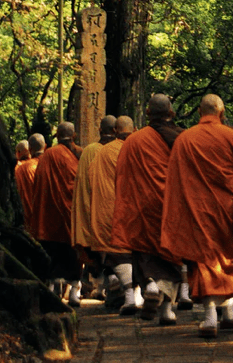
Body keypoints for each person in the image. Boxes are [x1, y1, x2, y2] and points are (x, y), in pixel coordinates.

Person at [159, 94, 233, 338]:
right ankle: (226, 314)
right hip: (228, 209)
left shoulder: (185, 139)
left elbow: (174, 181)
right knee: (226, 257)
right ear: (221, 113)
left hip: (197, 210)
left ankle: (213, 316)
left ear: (199, 112)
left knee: (204, 260)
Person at [110, 94, 187, 325]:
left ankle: (151, 285)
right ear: (171, 113)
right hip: (173, 208)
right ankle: (167, 311)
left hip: (144, 209)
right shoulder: (182, 138)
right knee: (173, 258)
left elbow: (122, 178)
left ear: (146, 114)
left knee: (145, 256)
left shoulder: (134, 141)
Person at [89, 116, 138, 315]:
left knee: (116, 254)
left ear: (116, 131)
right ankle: (137, 295)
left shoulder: (103, 152)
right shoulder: (140, 147)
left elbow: (93, 180)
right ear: (133, 129)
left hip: (111, 210)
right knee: (133, 254)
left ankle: (128, 296)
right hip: (136, 209)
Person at [32, 123, 83, 307]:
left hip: (50, 214)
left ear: (56, 136)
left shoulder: (47, 156)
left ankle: (56, 287)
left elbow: (39, 185)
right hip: (70, 213)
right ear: (74, 135)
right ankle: (75, 292)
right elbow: (79, 182)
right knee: (72, 252)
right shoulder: (77, 154)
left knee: (54, 252)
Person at [70, 115, 117, 299]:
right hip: (114, 209)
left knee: (98, 250)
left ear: (99, 130)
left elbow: (81, 186)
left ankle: (100, 286)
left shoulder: (89, 151)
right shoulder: (119, 150)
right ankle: (110, 285)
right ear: (116, 131)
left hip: (93, 209)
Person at [15, 134, 45, 235]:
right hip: (48, 223)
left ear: (30, 149)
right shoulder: (52, 164)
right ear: (45, 146)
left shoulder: (20, 169)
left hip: (28, 224)